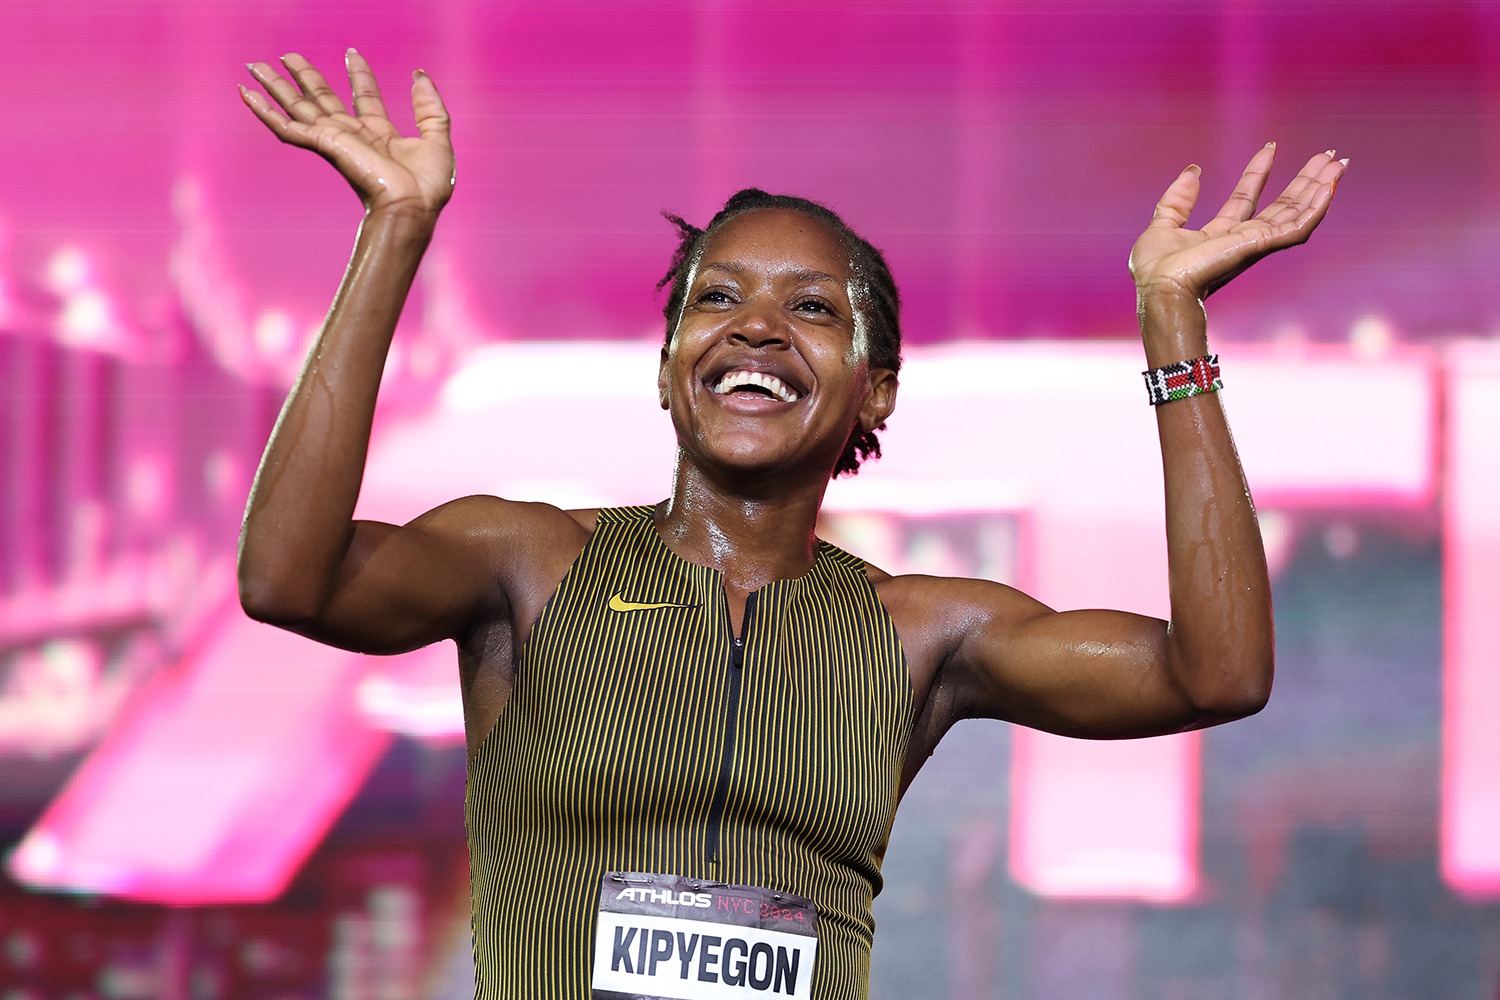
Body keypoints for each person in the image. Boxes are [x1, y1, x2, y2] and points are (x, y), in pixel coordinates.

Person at [236, 50, 1346, 1000]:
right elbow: (290, 579)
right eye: (716, 299)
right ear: (670, 373)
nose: (757, 326)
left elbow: (1218, 674)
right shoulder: (523, 562)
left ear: (876, 392)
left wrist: (1171, 326)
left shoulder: (924, 634)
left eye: (813, 308)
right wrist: (395, 227)